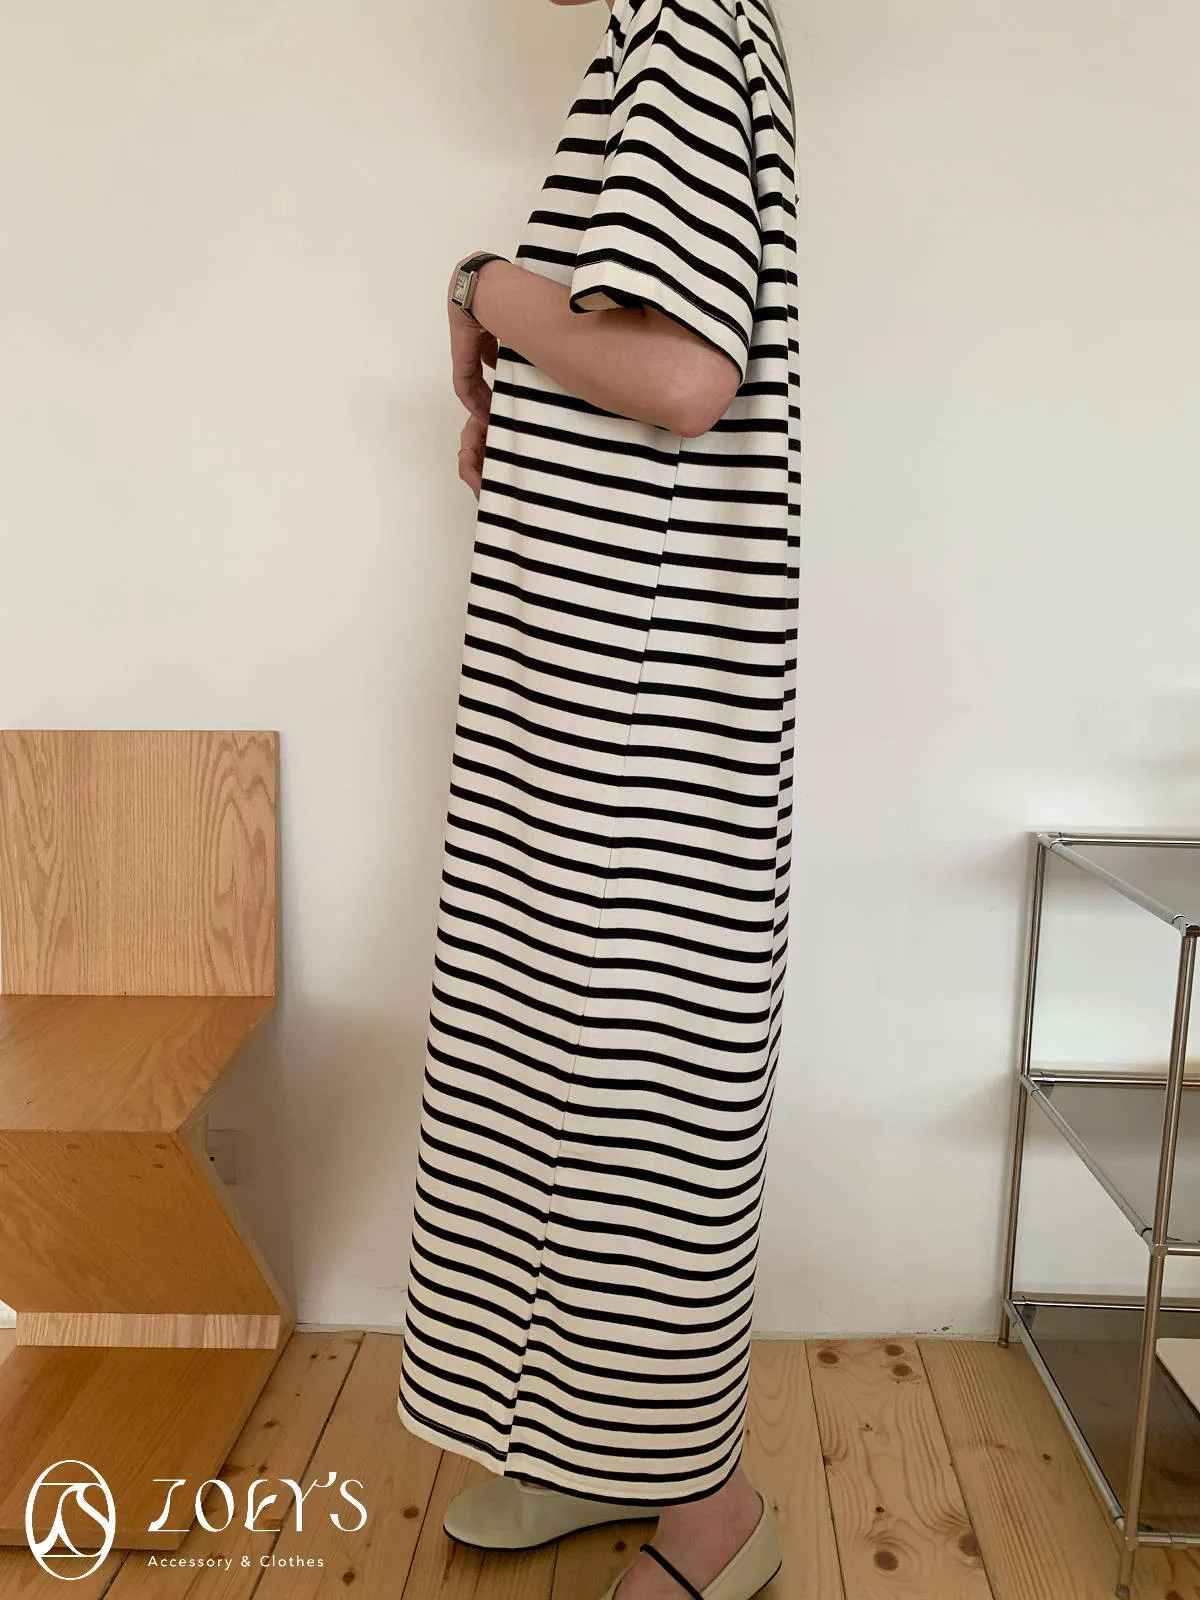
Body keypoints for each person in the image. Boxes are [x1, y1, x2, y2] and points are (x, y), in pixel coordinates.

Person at [397, 0, 799, 1593]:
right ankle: (586, 1450)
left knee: (638, 1088)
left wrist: (480, 287)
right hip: (592, 695)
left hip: (633, 718)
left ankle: (712, 1510)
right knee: (551, 1077)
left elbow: (687, 375)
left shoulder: (686, 24)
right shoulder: (672, 25)